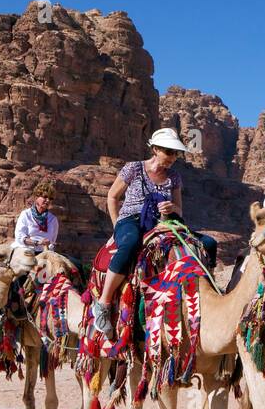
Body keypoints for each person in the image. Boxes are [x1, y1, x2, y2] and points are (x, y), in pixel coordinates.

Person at [91, 129, 218, 337]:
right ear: (155, 149)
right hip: (131, 219)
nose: (172, 158)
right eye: (168, 152)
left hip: (164, 222)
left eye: (176, 153)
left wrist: (171, 209)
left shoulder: (175, 177)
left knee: (209, 243)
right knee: (130, 243)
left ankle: (208, 293)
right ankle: (104, 303)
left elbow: (179, 209)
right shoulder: (133, 169)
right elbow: (113, 197)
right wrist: (116, 227)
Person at [14, 181, 60, 252]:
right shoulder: (26, 214)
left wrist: (48, 245)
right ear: (36, 197)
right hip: (27, 251)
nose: (47, 200)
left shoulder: (53, 219)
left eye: (50, 198)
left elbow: (53, 240)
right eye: (45, 197)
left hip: (46, 252)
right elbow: (20, 237)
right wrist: (37, 243)